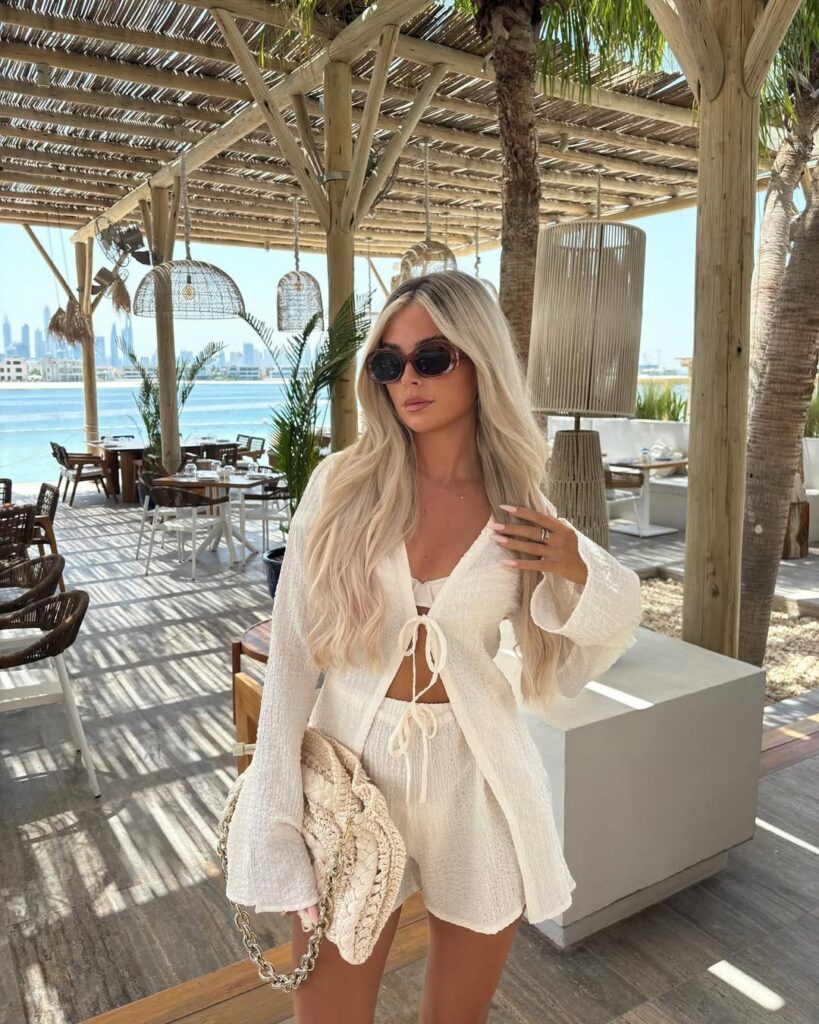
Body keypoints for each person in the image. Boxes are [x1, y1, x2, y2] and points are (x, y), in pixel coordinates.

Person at [225, 270, 642, 1023]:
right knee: (328, 1015)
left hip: (475, 775)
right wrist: (276, 820)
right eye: (388, 363)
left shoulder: (520, 504)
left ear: (479, 359)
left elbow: (604, 630)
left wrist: (578, 564)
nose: (405, 378)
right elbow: (289, 659)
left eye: (431, 358)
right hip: (353, 774)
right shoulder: (342, 486)